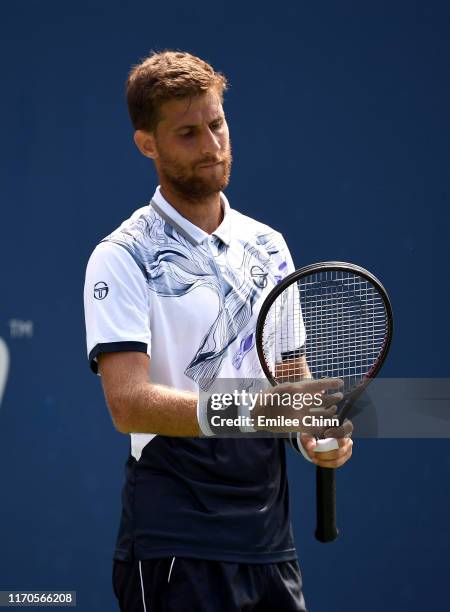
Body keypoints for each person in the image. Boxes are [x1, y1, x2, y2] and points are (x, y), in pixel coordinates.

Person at [83, 50, 353, 612]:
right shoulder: (121, 256)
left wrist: (312, 433)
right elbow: (128, 405)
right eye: (188, 133)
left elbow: (289, 380)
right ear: (147, 144)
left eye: (217, 124)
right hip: (177, 540)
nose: (211, 146)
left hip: (270, 544)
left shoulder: (269, 245)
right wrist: (260, 411)